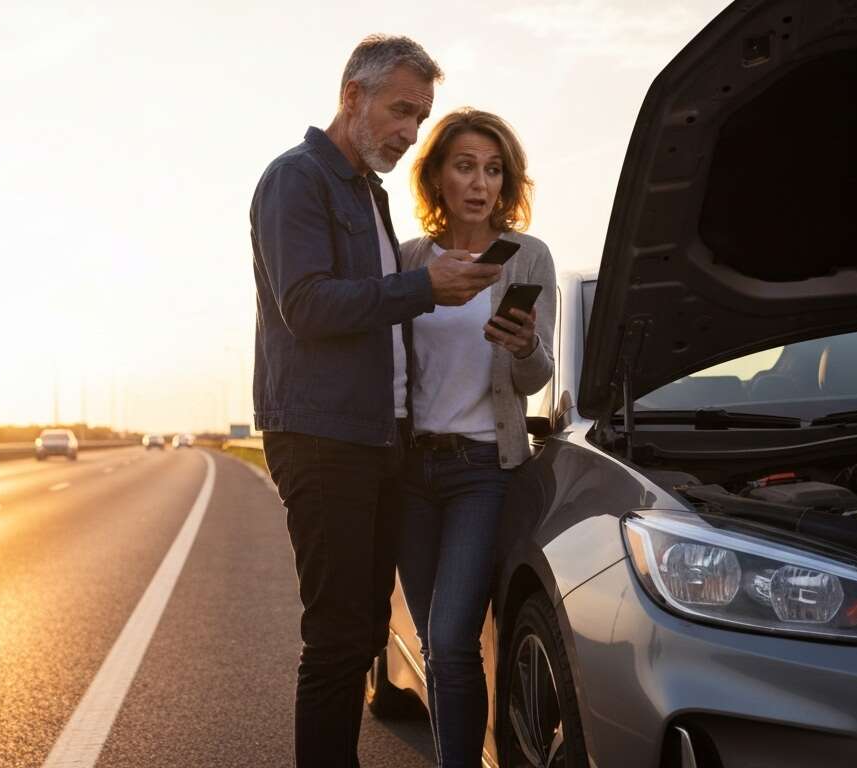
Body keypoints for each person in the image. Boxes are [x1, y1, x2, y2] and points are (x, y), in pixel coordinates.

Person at [249, 37, 502, 767]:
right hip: (321, 437)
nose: (410, 132)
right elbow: (308, 305)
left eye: (420, 118)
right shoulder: (296, 181)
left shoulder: (369, 191)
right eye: (400, 110)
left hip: (377, 439)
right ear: (352, 96)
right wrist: (427, 288)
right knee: (335, 640)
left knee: (363, 636)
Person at [397, 108, 556, 767]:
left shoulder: (527, 257)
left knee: (455, 636)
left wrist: (523, 348)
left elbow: (536, 374)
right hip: (411, 472)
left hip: (484, 471)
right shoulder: (409, 260)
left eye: (493, 170)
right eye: (464, 166)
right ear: (436, 175)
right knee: (438, 647)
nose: (480, 182)